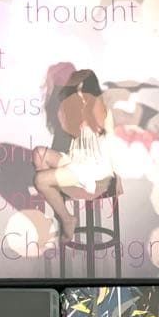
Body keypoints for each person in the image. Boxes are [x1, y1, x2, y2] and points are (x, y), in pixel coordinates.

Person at [32, 68, 116, 244]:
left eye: (82, 90)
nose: (79, 95)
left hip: (94, 167)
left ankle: (66, 219)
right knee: (39, 153)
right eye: (76, 91)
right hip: (77, 159)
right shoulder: (77, 108)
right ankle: (60, 207)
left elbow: (109, 139)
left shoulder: (101, 107)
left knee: (40, 180)